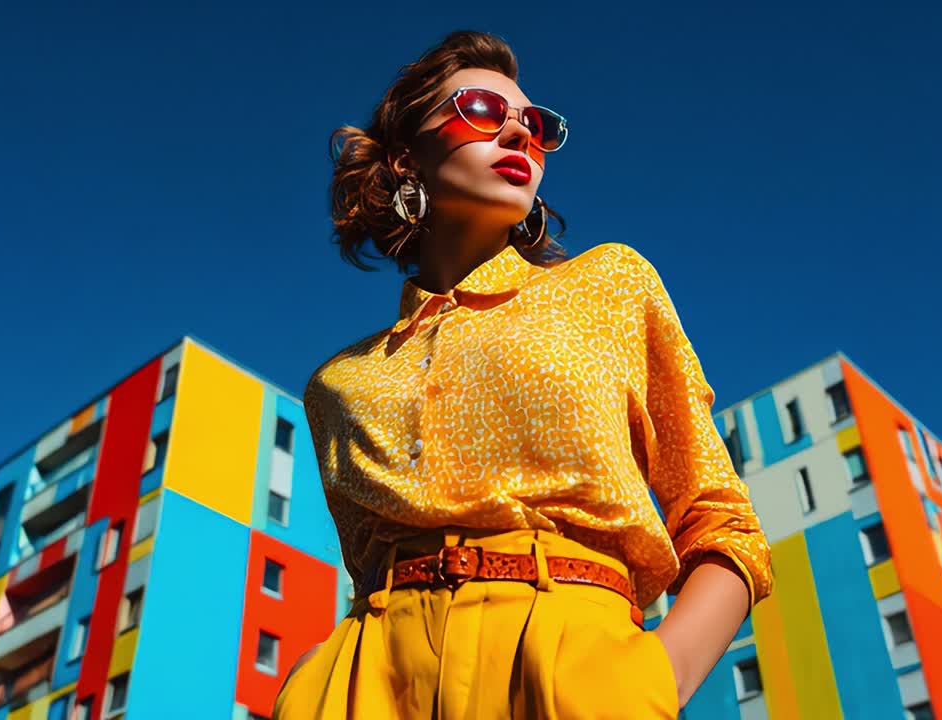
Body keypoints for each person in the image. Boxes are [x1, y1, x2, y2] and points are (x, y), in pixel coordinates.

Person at [275, 30, 773, 720]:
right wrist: (310, 682)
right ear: (403, 159)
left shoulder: (610, 284)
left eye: (536, 126)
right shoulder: (336, 383)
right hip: (367, 683)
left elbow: (721, 518)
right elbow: (363, 573)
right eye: (480, 108)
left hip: (572, 660)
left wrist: (660, 678)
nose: (518, 132)